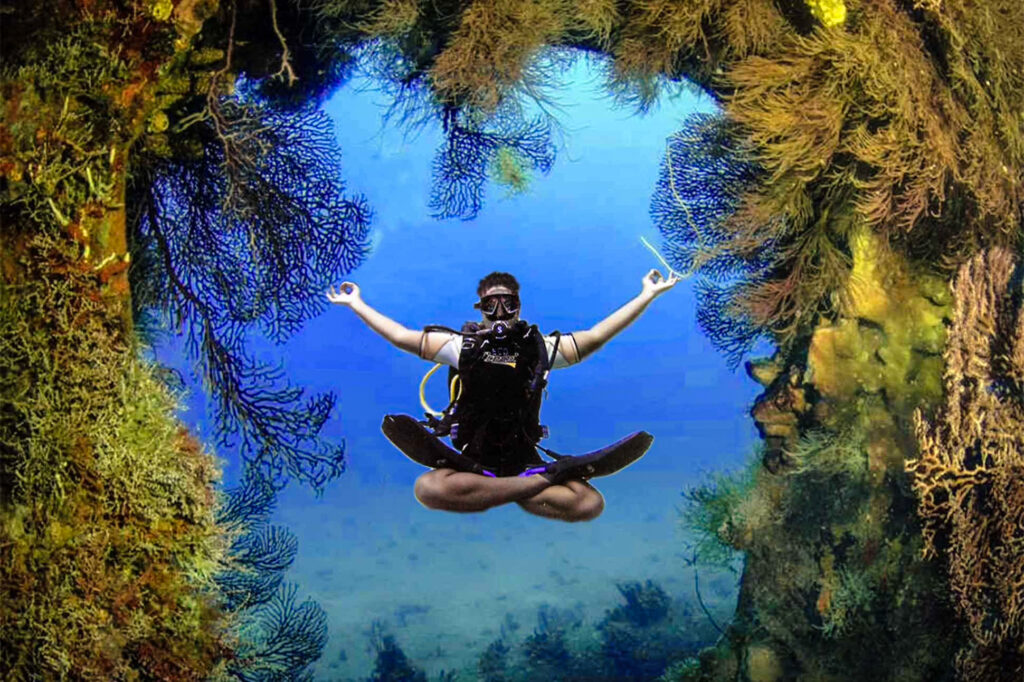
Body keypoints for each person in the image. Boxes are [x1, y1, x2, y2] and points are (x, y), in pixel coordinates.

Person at [326, 269, 679, 522]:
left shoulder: (540, 350)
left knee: (589, 504)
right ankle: (541, 482)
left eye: (507, 305)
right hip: (471, 466)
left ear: (518, 307)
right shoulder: (459, 347)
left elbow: (597, 335)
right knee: (428, 489)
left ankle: (519, 485)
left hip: (523, 463)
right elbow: (401, 336)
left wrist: (646, 295)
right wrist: (356, 304)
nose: (499, 313)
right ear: (479, 309)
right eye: (490, 305)